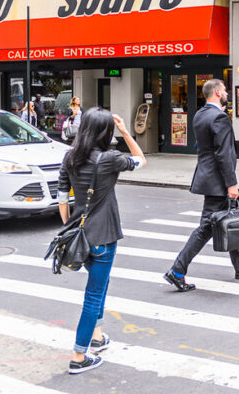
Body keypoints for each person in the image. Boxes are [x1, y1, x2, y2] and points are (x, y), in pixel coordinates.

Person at [56, 108, 145, 374]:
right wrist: (126, 132)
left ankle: (96, 336)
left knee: (100, 284)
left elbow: (63, 199)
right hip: (103, 236)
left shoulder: (70, 158)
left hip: (79, 236)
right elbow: (141, 160)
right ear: (106, 132)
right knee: (94, 294)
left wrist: (70, 229)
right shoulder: (110, 159)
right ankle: (79, 356)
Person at [165, 79, 239, 292]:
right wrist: (232, 183)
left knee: (232, 217)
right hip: (218, 180)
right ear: (218, 92)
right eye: (226, 90)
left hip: (207, 177)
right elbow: (224, 154)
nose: (227, 93)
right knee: (207, 228)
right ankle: (177, 270)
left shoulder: (200, 114)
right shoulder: (219, 117)